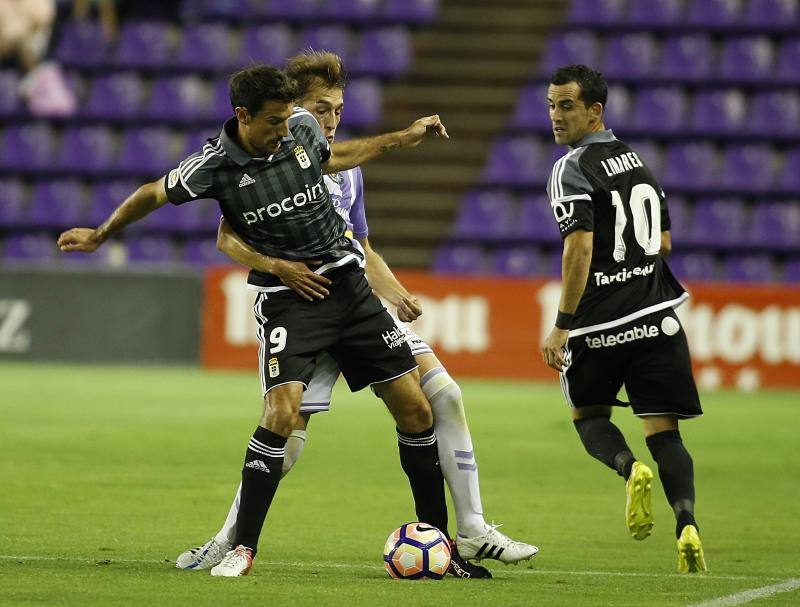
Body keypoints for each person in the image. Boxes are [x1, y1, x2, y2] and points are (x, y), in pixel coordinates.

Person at [57, 63, 454, 578]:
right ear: (242, 116)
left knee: (417, 409)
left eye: (288, 119)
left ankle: (443, 545)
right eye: (272, 122)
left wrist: (405, 136)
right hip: (287, 299)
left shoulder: (301, 128)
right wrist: (101, 234)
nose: (285, 131)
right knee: (282, 415)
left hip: (349, 288)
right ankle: (242, 548)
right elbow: (153, 193)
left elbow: (339, 157)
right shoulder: (213, 166)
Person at [175, 51, 538, 578]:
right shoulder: (272, 162)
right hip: (299, 308)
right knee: (287, 434)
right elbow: (226, 236)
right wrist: (279, 268)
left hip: (355, 301)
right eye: (322, 109)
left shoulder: (349, 173)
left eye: (339, 109)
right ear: (291, 109)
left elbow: (360, 247)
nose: (333, 119)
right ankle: (228, 539)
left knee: (441, 396)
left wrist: (395, 293)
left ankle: (470, 530)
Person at [540, 64, 707, 573]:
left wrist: (562, 324)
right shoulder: (638, 163)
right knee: (666, 432)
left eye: (567, 106)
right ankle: (687, 525)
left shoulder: (571, 167)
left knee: (589, 417)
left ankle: (629, 467)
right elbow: (665, 242)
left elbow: (580, 249)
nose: (556, 116)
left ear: (595, 111)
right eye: (551, 105)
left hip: (599, 324)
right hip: (658, 316)